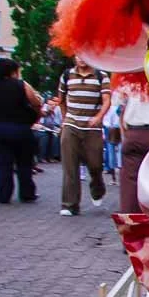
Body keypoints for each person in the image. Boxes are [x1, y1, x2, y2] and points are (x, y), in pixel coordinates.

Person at [58, 56, 110, 216]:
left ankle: (97, 188)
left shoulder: (101, 76)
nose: (81, 59)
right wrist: (65, 119)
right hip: (71, 125)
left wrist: (98, 117)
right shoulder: (67, 75)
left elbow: (107, 100)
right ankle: (70, 205)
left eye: (84, 55)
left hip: (92, 126)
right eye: (78, 55)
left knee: (95, 164)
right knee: (70, 166)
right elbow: (61, 100)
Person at [0, 58, 41, 204]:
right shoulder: (21, 85)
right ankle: (27, 193)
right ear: (14, 71)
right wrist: (35, 114)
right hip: (20, 128)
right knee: (24, 162)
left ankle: (3, 194)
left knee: (1, 164)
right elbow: (36, 102)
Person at [117, 72, 149, 213]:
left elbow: (120, 109)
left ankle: (130, 216)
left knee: (130, 180)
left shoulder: (126, 80)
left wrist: (125, 134)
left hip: (132, 132)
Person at [36, 96, 62, 162]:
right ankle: (42, 157)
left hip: (53, 128)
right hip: (42, 128)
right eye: (50, 104)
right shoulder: (43, 110)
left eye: (54, 104)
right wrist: (48, 112)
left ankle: (53, 157)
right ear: (46, 105)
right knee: (45, 135)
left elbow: (60, 121)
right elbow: (41, 122)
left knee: (55, 135)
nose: (52, 106)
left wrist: (60, 127)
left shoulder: (58, 109)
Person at [103, 103, 121, 186]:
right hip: (118, 129)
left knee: (111, 154)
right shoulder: (119, 105)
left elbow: (106, 121)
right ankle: (117, 178)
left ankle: (114, 179)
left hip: (111, 129)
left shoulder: (110, 106)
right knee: (118, 154)